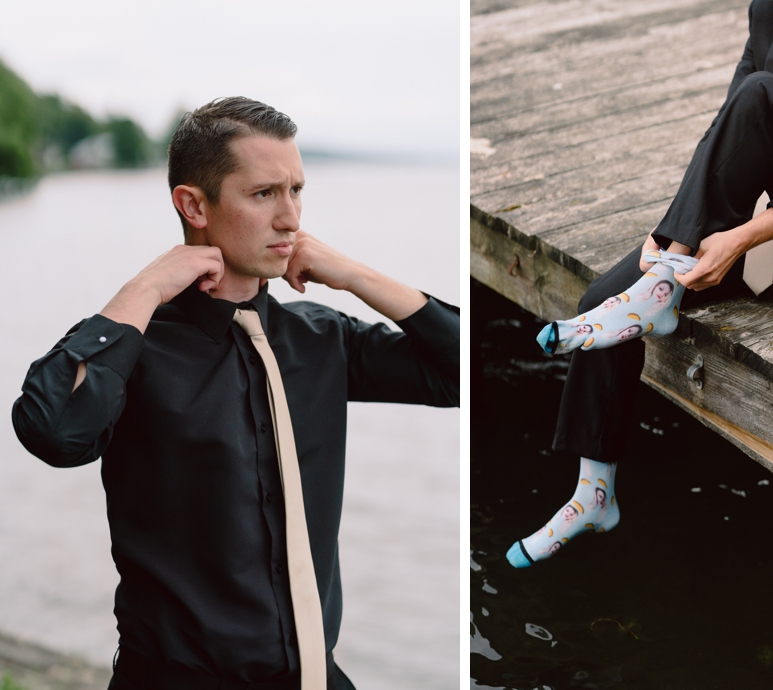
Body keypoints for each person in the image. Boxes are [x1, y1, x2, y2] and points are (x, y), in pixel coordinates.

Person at [11, 97, 458, 688]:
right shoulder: (135, 349)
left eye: (297, 190)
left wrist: (354, 275)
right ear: (194, 205)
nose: (291, 217)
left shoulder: (321, 338)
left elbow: (460, 369)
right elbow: (53, 430)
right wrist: (143, 289)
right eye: (265, 193)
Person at [506, 0, 773, 569]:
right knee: (599, 303)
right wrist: (672, 233)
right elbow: (728, 131)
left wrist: (740, 238)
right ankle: (593, 494)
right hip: (772, 218)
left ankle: (660, 290)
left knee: (762, 92)